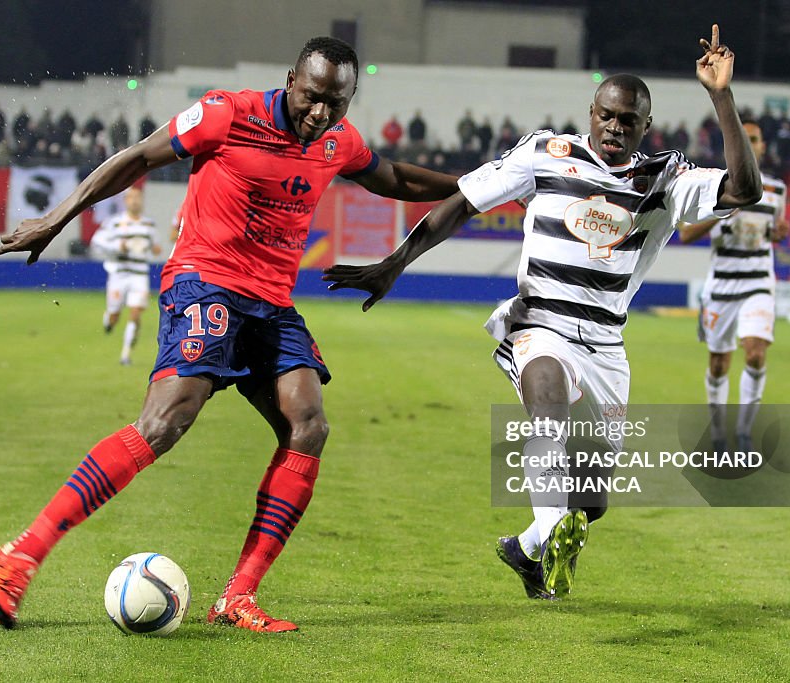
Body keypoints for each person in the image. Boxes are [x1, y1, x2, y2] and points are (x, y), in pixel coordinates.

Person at [0, 36, 459, 633]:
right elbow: (135, 158)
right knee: (165, 422)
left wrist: (484, 182)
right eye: (312, 98)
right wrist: (58, 216)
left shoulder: (340, 141)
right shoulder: (226, 114)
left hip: (271, 304)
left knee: (308, 425)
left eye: (336, 103)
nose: (320, 114)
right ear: (290, 80)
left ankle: (237, 597)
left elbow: (395, 181)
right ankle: (18, 555)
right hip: (205, 283)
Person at [323, 25, 761, 600]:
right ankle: (551, 530)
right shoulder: (544, 154)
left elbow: (744, 191)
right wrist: (395, 263)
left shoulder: (665, 180)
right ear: (592, 112)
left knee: (592, 499)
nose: (614, 127)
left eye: (628, 121)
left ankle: (528, 546)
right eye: (606, 115)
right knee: (546, 389)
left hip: (606, 346)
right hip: (539, 325)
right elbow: (461, 205)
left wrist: (720, 96)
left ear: (645, 128)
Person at [679, 119, 790, 453]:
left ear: (762, 146)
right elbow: (685, 233)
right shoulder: (712, 185)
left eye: (754, 139)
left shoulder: (777, 190)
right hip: (722, 286)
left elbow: (773, 233)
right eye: (743, 139)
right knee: (718, 363)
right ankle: (717, 434)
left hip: (758, 282)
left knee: (755, 351)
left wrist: (779, 235)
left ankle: (743, 432)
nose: (750, 144)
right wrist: (728, 205)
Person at [90, 186, 162, 365]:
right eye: (131, 198)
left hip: (139, 275)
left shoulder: (149, 224)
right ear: (125, 201)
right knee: (115, 314)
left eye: (138, 197)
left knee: (136, 313)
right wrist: (117, 248)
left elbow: (156, 246)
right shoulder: (114, 222)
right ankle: (109, 319)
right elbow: (96, 242)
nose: (135, 201)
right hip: (119, 274)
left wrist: (155, 249)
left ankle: (125, 354)